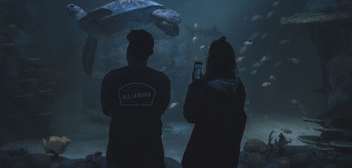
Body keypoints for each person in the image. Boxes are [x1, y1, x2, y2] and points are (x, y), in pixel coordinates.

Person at [101, 29, 171, 168]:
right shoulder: (162, 80)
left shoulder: (111, 78)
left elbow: (106, 110)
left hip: (119, 152)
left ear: (128, 51)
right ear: (150, 53)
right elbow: (161, 109)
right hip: (151, 151)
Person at [182, 37, 247, 168]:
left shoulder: (206, 89)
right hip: (228, 156)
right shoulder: (239, 86)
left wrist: (195, 86)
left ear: (211, 60)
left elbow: (190, 115)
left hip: (202, 157)